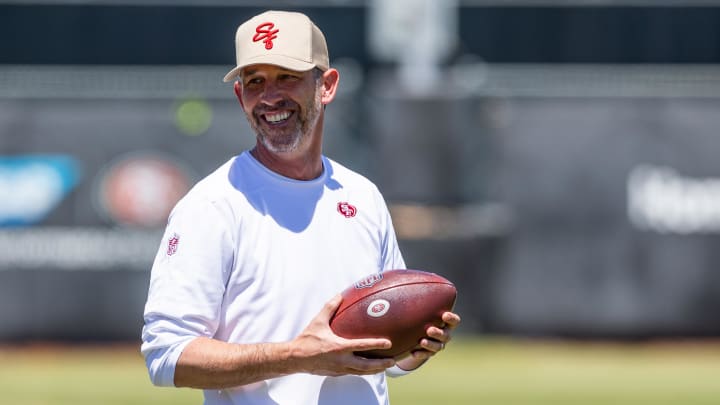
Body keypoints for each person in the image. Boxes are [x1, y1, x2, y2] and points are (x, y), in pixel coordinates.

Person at [141, 10, 461, 405]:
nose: (270, 96)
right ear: (241, 97)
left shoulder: (362, 197)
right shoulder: (211, 206)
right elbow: (167, 355)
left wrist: (412, 347)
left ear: (326, 86)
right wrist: (299, 355)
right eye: (255, 81)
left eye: (287, 77)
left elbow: (384, 359)